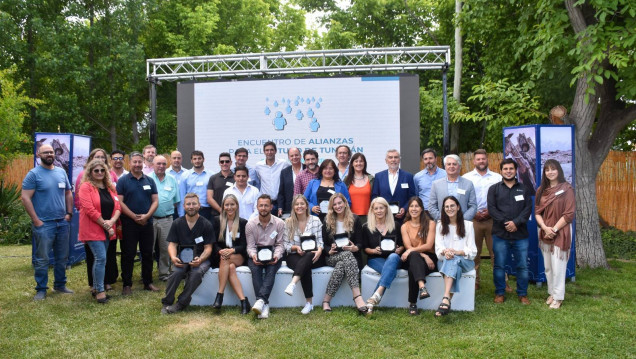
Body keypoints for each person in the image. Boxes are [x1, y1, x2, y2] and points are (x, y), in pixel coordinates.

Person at [21, 144, 74, 300]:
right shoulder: (33, 174)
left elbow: (68, 193)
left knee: (62, 257)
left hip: (62, 223)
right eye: (46, 152)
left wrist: (69, 213)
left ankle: (60, 284)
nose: (49, 154)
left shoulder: (61, 172)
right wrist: (36, 220)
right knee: (42, 258)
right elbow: (25, 197)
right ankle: (41, 289)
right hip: (44, 224)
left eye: (51, 152)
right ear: (38, 155)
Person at [488, 158, 533, 304]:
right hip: (500, 234)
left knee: (522, 265)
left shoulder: (524, 189)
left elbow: (527, 210)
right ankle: (500, 293)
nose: (508, 171)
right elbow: (492, 209)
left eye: (511, 169)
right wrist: (507, 223)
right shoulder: (494, 189)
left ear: (516, 170)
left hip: (520, 235)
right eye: (505, 169)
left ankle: (522, 294)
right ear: (501, 171)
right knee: (499, 265)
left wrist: (516, 223)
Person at [73, 148, 119, 291]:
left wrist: (111, 222)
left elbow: (118, 206)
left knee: (102, 259)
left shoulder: (110, 187)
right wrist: (107, 225)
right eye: (96, 171)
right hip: (93, 229)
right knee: (100, 258)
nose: (99, 173)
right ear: (90, 172)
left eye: (102, 170)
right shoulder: (85, 187)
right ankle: (99, 290)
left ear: (106, 172)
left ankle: (98, 286)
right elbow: (89, 210)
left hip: (107, 228)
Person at [161, 193, 215, 314]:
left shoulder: (206, 224)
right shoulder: (177, 223)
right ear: (184, 206)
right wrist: (174, 257)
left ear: (199, 205)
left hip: (201, 258)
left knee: (196, 273)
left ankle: (181, 303)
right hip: (182, 257)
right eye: (188, 204)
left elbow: (208, 248)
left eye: (194, 204)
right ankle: (167, 302)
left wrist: (200, 260)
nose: (191, 206)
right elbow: (172, 244)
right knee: (176, 272)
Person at [116, 151, 159, 295]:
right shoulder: (123, 181)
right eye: (134, 162)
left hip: (147, 222)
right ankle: (127, 284)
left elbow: (155, 201)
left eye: (139, 162)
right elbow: (120, 202)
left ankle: (148, 282)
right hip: (129, 223)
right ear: (130, 163)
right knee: (128, 253)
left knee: (147, 253)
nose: (137, 164)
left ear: (143, 163)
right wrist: (134, 217)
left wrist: (146, 216)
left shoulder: (150, 180)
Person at [534, 159, 575, 309]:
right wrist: (545, 228)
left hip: (561, 231)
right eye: (547, 170)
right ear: (544, 173)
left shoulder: (567, 189)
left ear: (559, 170)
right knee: (548, 267)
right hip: (545, 231)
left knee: (558, 267)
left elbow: (569, 214)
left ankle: (558, 297)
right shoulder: (541, 190)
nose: (550, 172)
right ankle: (551, 292)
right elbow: (537, 212)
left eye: (553, 169)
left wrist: (554, 230)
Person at [320, 193, 368, 313]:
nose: (337, 206)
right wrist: (329, 250)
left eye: (339, 203)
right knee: (346, 257)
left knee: (342, 264)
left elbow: (360, 243)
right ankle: (358, 297)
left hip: (351, 255)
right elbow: (324, 243)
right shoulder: (327, 220)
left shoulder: (355, 219)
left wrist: (355, 248)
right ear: (331, 207)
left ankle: (326, 301)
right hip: (332, 256)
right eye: (334, 204)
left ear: (345, 203)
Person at [463, 149, 502, 289]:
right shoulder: (467, 178)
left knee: (496, 252)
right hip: (474, 220)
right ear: (474, 161)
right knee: (474, 252)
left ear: (487, 160)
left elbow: (501, 198)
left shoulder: (497, 177)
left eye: (483, 159)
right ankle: (474, 282)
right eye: (478, 159)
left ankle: (502, 282)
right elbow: (463, 199)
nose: (481, 161)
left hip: (493, 219)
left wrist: (491, 212)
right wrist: (473, 213)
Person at [434, 196, 477, 317]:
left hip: (466, 262)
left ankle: (446, 296)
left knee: (454, 259)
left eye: (452, 205)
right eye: (446, 206)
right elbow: (438, 247)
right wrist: (445, 251)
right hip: (444, 261)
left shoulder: (468, 225)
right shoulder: (440, 225)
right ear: (443, 209)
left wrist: (457, 252)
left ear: (458, 207)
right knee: (454, 264)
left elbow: (473, 251)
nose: (449, 208)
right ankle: (446, 301)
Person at [282, 194, 324, 314]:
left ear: (306, 206)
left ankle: (293, 283)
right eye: (297, 204)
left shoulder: (315, 220)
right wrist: (296, 247)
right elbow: (286, 245)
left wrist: (320, 250)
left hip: (314, 255)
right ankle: (309, 303)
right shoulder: (288, 222)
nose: (299, 206)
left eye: (302, 204)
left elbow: (320, 241)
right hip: (294, 256)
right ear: (293, 207)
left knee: (309, 256)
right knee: (305, 265)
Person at [363, 197, 405, 313]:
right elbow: (365, 248)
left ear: (386, 209)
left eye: (381, 208)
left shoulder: (395, 225)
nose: (379, 211)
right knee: (389, 271)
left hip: (394, 258)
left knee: (392, 257)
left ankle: (374, 298)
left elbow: (403, 245)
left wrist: (399, 250)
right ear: (372, 210)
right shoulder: (367, 227)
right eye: (376, 208)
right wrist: (373, 251)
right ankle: (374, 299)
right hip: (375, 259)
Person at [246, 195, 285, 319]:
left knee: (271, 270)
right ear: (257, 207)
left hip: (272, 254)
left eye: (266, 205)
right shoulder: (250, 224)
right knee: (255, 270)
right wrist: (253, 256)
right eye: (261, 205)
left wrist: (276, 256)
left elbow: (280, 244)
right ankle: (265, 304)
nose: (263, 208)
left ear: (271, 207)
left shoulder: (279, 223)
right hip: (257, 255)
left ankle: (260, 301)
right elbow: (250, 246)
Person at [211, 194, 250, 314]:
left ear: (237, 206)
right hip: (222, 255)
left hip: (238, 255)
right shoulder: (217, 221)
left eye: (232, 204)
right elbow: (213, 242)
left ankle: (220, 294)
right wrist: (220, 251)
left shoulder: (243, 223)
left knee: (226, 259)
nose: (229, 207)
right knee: (230, 267)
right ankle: (244, 301)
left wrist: (232, 250)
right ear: (223, 207)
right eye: (226, 205)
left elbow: (244, 245)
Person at [400, 197, 437, 315]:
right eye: (411, 206)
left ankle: (413, 304)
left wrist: (425, 256)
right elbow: (408, 246)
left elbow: (429, 245)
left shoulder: (431, 224)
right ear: (408, 209)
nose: (414, 209)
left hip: (429, 259)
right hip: (413, 256)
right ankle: (422, 287)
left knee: (413, 268)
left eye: (416, 206)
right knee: (415, 258)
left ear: (421, 209)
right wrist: (422, 255)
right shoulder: (404, 226)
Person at [149, 155, 180, 282]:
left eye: (163, 164)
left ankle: (164, 273)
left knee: (165, 248)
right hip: (150, 219)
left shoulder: (172, 179)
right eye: (158, 164)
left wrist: (164, 209)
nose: (161, 166)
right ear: (153, 165)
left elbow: (176, 201)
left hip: (167, 219)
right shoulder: (148, 178)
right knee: (148, 248)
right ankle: (147, 274)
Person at [371, 149, 416, 222]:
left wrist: (404, 208)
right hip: (383, 218)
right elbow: (374, 196)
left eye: (396, 157)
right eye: (390, 157)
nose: (393, 159)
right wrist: (380, 209)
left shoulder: (408, 176)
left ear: (399, 160)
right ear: (386, 160)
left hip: (403, 219)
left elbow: (412, 197)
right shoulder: (379, 176)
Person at [429, 154, 477, 221]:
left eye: (454, 164)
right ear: (445, 167)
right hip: (443, 224)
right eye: (449, 164)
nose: (451, 166)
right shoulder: (436, 184)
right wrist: (443, 219)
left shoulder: (468, 184)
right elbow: (432, 207)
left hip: (463, 224)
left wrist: (462, 220)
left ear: (459, 166)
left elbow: (473, 206)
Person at [254, 141, 290, 213]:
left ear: (275, 151)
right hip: (266, 203)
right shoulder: (258, 166)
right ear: (264, 152)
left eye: (271, 150)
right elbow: (259, 180)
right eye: (267, 150)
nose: (269, 152)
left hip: (281, 202)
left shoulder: (283, 163)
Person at [178, 150, 213, 220]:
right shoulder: (185, 176)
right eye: (195, 159)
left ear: (203, 159)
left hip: (207, 210)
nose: (197, 161)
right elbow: (182, 196)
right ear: (191, 161)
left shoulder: (211, 175)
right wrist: (181, 215)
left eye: (199, 158)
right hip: (190, 211)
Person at [344, 153, 374, 223]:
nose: (359, 163)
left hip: (369, 218)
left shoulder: (371, 179)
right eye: (356, 161)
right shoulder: (346, 180)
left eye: (361, 161)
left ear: (364, 163)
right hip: (350, 218)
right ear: (352, 164)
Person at [207, 152, 235, 217]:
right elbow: (209, 198)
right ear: (219, 163)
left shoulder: (236, 177)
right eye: (222, 162)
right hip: (216, 215)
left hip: (233, 215)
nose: (224, 163)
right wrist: (221, 210)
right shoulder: (213, 178)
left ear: (231, 162)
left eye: (227, 161)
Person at [277, 147, 303, 217]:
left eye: (296, 155)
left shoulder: (307, 169)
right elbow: (281, 192)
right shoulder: (284, 172)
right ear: (289, 157)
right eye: (292, 156)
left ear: (300, 156)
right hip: (289, 208)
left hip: (306, 207)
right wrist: (280, 207)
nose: (294, 157)